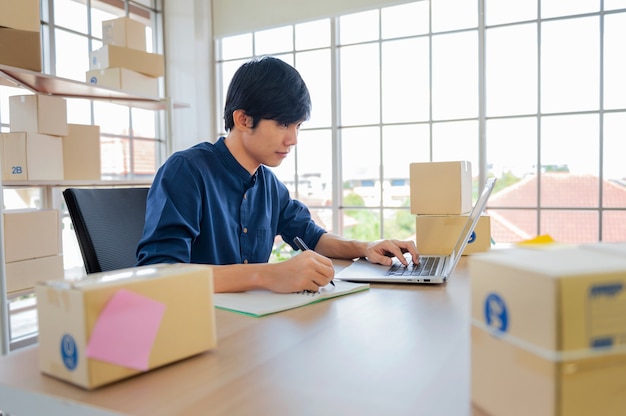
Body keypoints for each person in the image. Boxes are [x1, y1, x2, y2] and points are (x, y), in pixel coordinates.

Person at [136, 56, 418, 293]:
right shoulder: (186, 170)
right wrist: (269, 275)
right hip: (194, 327)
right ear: (243, 119)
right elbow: (160, 273)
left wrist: (366, 246)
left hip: (250, 330)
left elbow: (311, 236)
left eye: (298, 126)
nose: (293, 139)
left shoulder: (269, 186)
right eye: (284, 124)